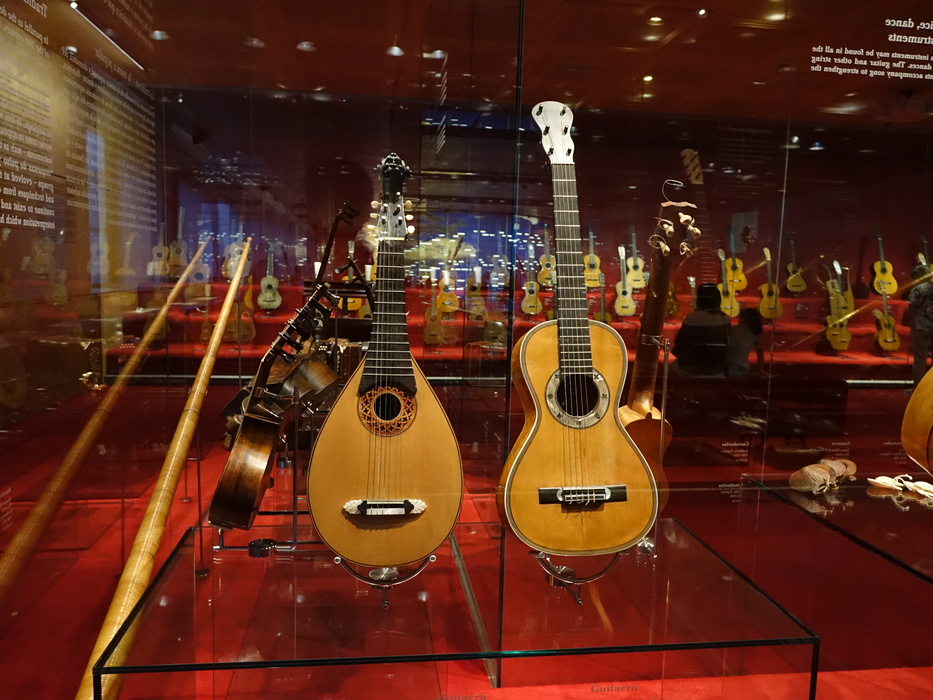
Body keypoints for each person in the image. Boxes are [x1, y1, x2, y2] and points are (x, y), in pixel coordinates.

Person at [671, 283, 731, 376]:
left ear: (699, 300)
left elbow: (681, 343)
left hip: (691, 367)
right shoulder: (725, 318)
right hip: (716, 367)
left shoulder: (692, 317)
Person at [904, 264, 933, 391]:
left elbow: (912, 308)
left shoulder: (917, 289)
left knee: (920, 359)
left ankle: (918, 389)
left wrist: (911, 322)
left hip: (921, 326)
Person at [724, 307, 765, 376]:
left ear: (742, 319)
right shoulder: (754, 333)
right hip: (743, 367)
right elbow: (760, 353)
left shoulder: (731, 329)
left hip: (727, 365)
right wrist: (761, 370)